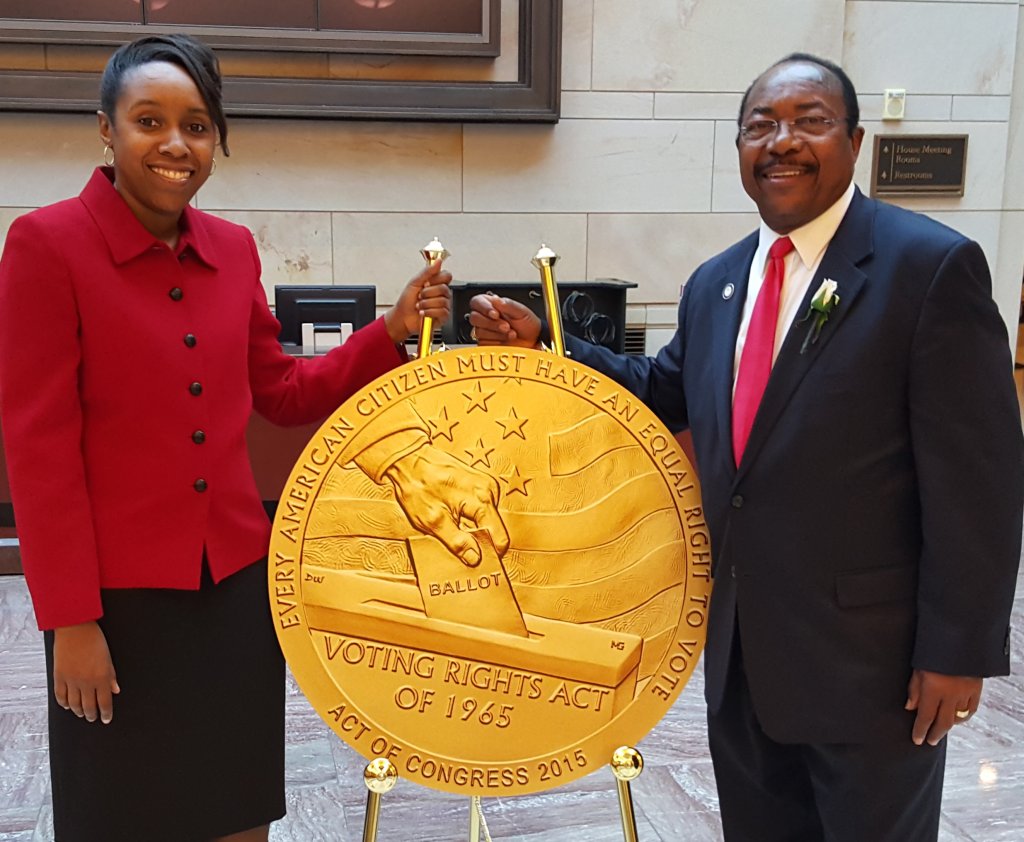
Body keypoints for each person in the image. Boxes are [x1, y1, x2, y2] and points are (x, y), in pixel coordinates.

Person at [469, 53, 1023, 841]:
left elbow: (981, 483)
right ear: (738, 150)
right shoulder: (717, 282)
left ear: (856, 140)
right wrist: (548, 349)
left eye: (810, 121)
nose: (782, 141)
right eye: (760, 126)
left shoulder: (927, 269)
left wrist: (957, 650)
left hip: (873, 669)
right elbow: (665, 388)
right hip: (742, 661)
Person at [0, 34, 453, 842]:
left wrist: (388, 331)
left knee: (237, 811)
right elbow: (40, 451)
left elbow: (279, 391)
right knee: (121, 816)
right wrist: (68, 619)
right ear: (106, 128)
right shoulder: (46, 245)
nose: (176, 144)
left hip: (238, 591)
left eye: (198, 125)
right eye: (149, 120)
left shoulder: (233, 249)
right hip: (114, 604)